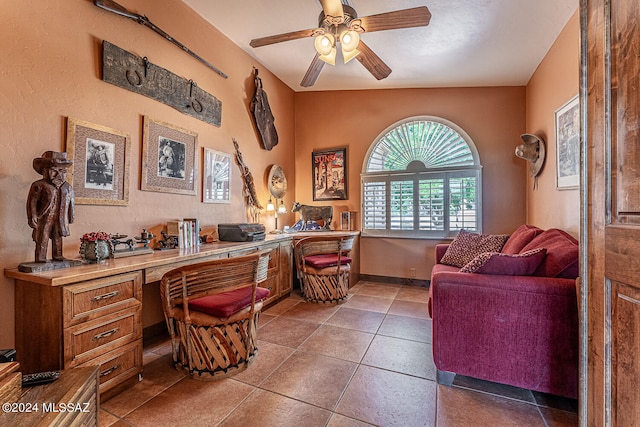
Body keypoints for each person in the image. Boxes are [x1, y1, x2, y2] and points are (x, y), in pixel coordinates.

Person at [27, 151, 75, 262]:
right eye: (54, 170)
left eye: (62, 171)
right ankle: (40, 257)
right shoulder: (39, 185)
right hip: (44, 216)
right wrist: (32, 216)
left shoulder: (67, 187)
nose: (58, 174)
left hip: (61, 217)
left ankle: (58, 255)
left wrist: (71, 216)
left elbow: (71, 201)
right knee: (43, 236)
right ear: (45, 170)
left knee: (58, 235)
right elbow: (32, 202)